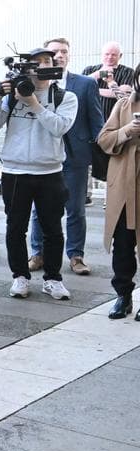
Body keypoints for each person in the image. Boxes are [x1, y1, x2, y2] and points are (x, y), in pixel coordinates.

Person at [0, 47, 78, 300]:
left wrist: (33, 103)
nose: (42, 66)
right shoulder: (11, 95)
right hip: (15, 171)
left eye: (47, 61)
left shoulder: (64, 96)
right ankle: (20, 276)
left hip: (50, 171)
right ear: (27, 68)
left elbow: (59, 127)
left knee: (52, 229)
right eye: (37, 62)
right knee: (15, 228)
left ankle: (53, 279)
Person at [28, 38, 103, 276]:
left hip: (75, 156)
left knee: (76, 209)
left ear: (69, 55)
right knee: (39, 209)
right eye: (54, 52)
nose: (59, 55)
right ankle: (37, 253)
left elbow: (96, 120)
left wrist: (100, 150)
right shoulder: (33, 84)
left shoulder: (85, 83)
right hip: (43, 154)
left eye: (64, 51)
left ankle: (76, 255)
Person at [96, 86, 140, 319]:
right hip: (124, 184)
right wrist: (126, 130)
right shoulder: (123, 106)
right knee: (122, 243)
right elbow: (103, 139)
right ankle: (123, 295)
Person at [82, 41, 136, 119]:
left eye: (113, 55)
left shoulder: (127, 71)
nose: (110, 57)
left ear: (120, 56)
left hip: (114, 118)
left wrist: (93, 90)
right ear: (102, 54)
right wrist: (98, 74)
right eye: (107, 54)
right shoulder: (89, 69)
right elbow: (80, 86)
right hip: (90, 117)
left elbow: (121, 94)